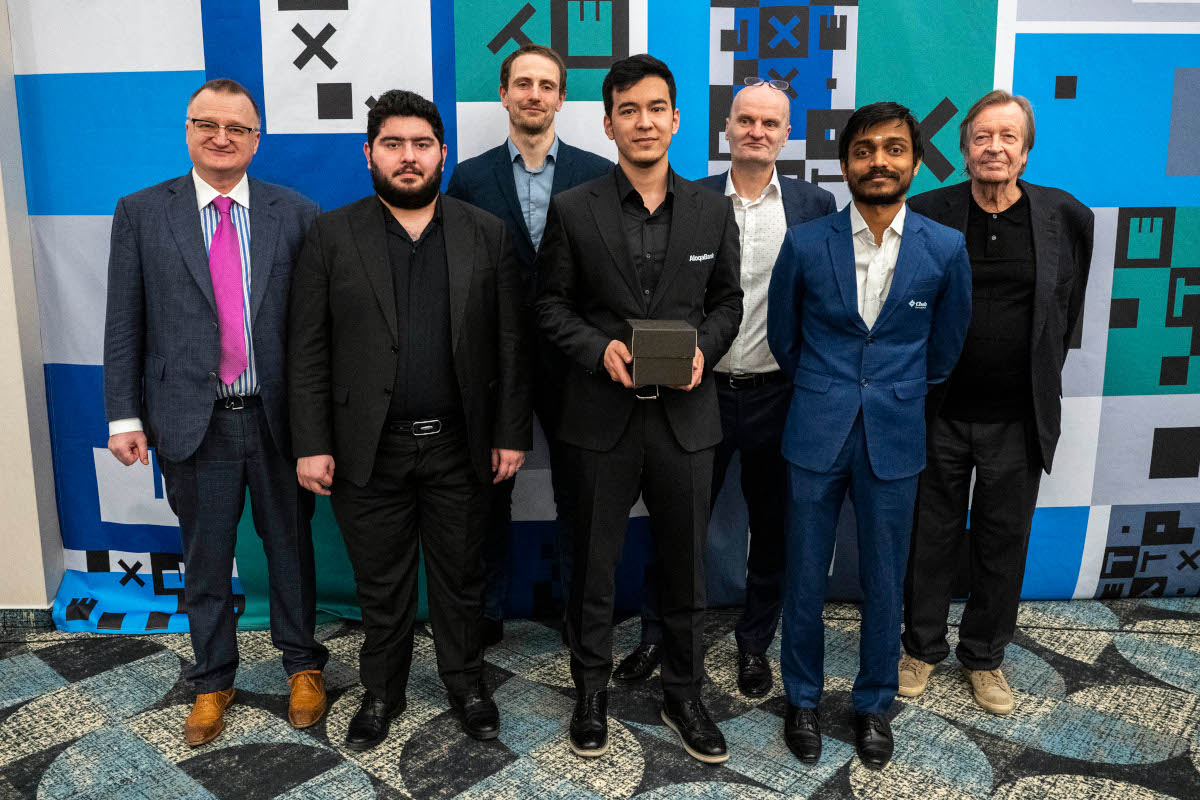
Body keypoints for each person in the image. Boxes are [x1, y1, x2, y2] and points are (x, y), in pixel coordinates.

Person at [287, 89, 531, 751]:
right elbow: (307, 348)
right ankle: (382, 692)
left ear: (442, 153)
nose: (408, 157)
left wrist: (511, 432)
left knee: (461, 578)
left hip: (460, 446)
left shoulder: (485, 233)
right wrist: (311, 442)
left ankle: (466, 684)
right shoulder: (331, 235)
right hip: (367, 450)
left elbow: (512, 343)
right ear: (369, 153)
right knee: (382, 585)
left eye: (422, 144)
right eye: (392, 144)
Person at [103, 78, 328, 747]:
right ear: (188, 130)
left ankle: (303, 666)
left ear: (257, 140)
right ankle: (211, 679)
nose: (222, 138)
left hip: (277, 419)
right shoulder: (142, 212)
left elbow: (316, 332)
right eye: (208, 124)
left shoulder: (297, 213)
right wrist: (123, 416)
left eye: (237, 128)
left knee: (291, 550)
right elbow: (124, 323)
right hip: (191, 420)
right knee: (206, 559)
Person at [536, 54, 743, 764]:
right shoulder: (574, 209)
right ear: (608, 123)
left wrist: (704, 350)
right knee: (592, 567)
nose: (644, 122)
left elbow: (728, 303)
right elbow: (550, 306)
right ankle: (590, 691)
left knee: (687, 570)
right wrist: (599, 350)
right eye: (629, 110)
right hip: (600, 418)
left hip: (687, 419)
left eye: (656, 108)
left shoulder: (713, 210)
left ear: (677, 119)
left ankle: (684, 695)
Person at [613, 77, 837, 697]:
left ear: (786, 135)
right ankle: (656, 635)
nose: (756, 132)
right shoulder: (690, 199)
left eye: (770, 123)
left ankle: (754, 644)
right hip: (696, 392)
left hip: (779, 394)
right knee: (677, 524)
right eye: (746, 121)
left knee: (773, 529)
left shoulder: (816, 207)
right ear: (726, 128)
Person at [766, 102, 971, 769]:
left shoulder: (945, 247)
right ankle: (801, 698)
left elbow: (944, 350)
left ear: (915, 161)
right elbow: (784, 338)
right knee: (804, 573)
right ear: (846, 163)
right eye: (864, 150)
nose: (878, 161)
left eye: (893, 148)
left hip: (895, 432)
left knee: (886, 577)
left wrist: (894, 390)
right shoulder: (806, 242)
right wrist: (826, 387)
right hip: (816, 428)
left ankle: (874, 703)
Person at [900, 90, 1093, 714]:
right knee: (929, 537)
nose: (995, 148)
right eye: (982, 136)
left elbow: (1066, 311)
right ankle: (920, 647)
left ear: (1026, 150)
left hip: (1017, 417)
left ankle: (984, 656)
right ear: (964, 149)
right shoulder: (926, 213)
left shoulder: (1064, 215)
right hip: (938, 413)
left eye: (1009, 137)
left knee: (1003, 540)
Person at [446, 44, 612, 644]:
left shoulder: (597, 174)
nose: (534, 94)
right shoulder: (469, 178)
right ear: (504, 94)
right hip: (495, 360)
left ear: (562, 98)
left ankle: (578, 615)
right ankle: (485, 612)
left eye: (546, 85)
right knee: (489, 490)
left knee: (581, 493)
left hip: (576, 360)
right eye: (523, 83)